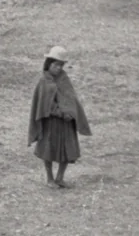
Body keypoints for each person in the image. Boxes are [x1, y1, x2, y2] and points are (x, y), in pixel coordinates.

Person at [28, 46, 92, 188]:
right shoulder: (44, 81)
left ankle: (60, 178)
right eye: (56, 65)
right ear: (49, 64)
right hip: (51, 122)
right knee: (48, 150)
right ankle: (49, 178)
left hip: (66, 123)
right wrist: (60, 113)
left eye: (61, 65)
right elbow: (45, 104)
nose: (58, 68)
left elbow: (70, 98)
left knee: (68, 149)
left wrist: (71, 112)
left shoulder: (64, 79)